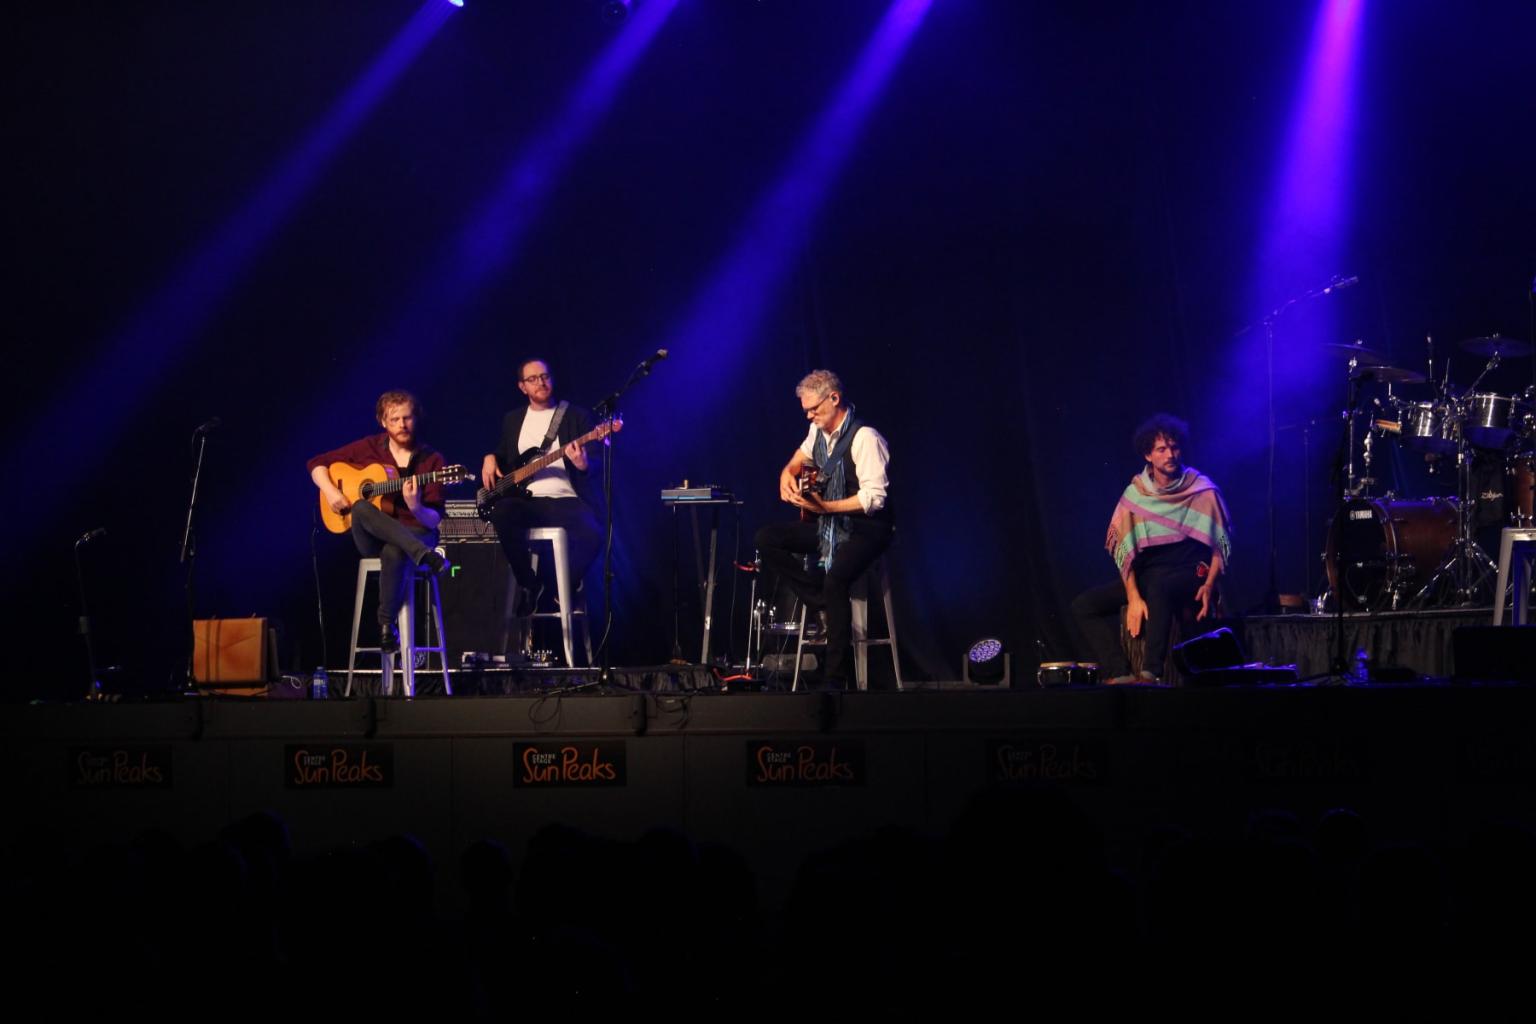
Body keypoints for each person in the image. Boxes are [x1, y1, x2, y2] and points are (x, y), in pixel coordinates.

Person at [755, 369, 894, 688]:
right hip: (832, 525)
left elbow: (874, 499)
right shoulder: (817, 431)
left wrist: (826, 508)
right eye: (805, 410)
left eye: (814, 409)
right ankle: (818, 602)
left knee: (835, 579)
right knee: (767, 538)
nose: (809, 415)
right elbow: (799, 458)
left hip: (867, 529)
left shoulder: (865, 438)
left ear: (834, 398)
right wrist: (785, 475)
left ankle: (835, 678)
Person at [1072, 413, 1231, 683]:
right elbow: (1125, 552)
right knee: (1083, 606)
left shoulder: (1201, 489)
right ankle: (1119, 672)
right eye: (1161, 449)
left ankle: (1151, 673)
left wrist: (1210, 584)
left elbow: (1220, 542)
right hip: (1150, 572)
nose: (1170, 454)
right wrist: (1133, 596)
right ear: (1148, 455)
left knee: (1160, 585)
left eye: (1174, 447)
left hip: (1191, 570)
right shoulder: (1137, 494)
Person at [308, 390, 446, 652]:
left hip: (417, 531)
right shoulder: (369, 447)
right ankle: (424, 556)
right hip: (373, 536)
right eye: (394, 419)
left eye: (407, 418)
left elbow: (433, 520)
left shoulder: (433, 460)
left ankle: (386, 626)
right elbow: (316, 463)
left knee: (395, 550)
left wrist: (415, 505)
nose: (402, 425)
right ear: (383, 421)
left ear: (416, 419)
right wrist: (331, 492)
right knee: (361, 506)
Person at [480, 358, 603, 616]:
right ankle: (528, 583)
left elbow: (594, 459)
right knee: (501, 512)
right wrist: (489, 457)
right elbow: (502, 454)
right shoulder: (512, 420)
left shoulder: (576, 416)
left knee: (594, 534)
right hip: (527, 500)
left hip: (565, 499)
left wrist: (582, 464)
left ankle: (564, 586)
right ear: (522, 387)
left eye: (545, 376)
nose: (541, 382)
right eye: (533, 379)